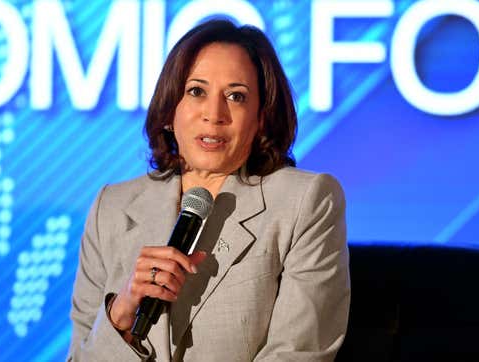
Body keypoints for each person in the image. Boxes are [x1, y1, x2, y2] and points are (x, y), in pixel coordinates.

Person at [67, 19, 350, 361]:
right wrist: (122, 314)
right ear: (171, 109)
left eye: (236, 96)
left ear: (261, 117)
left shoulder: (306, 201)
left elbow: (298, 354)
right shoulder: (111, 207)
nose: (214, 115)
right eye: (196, 91)